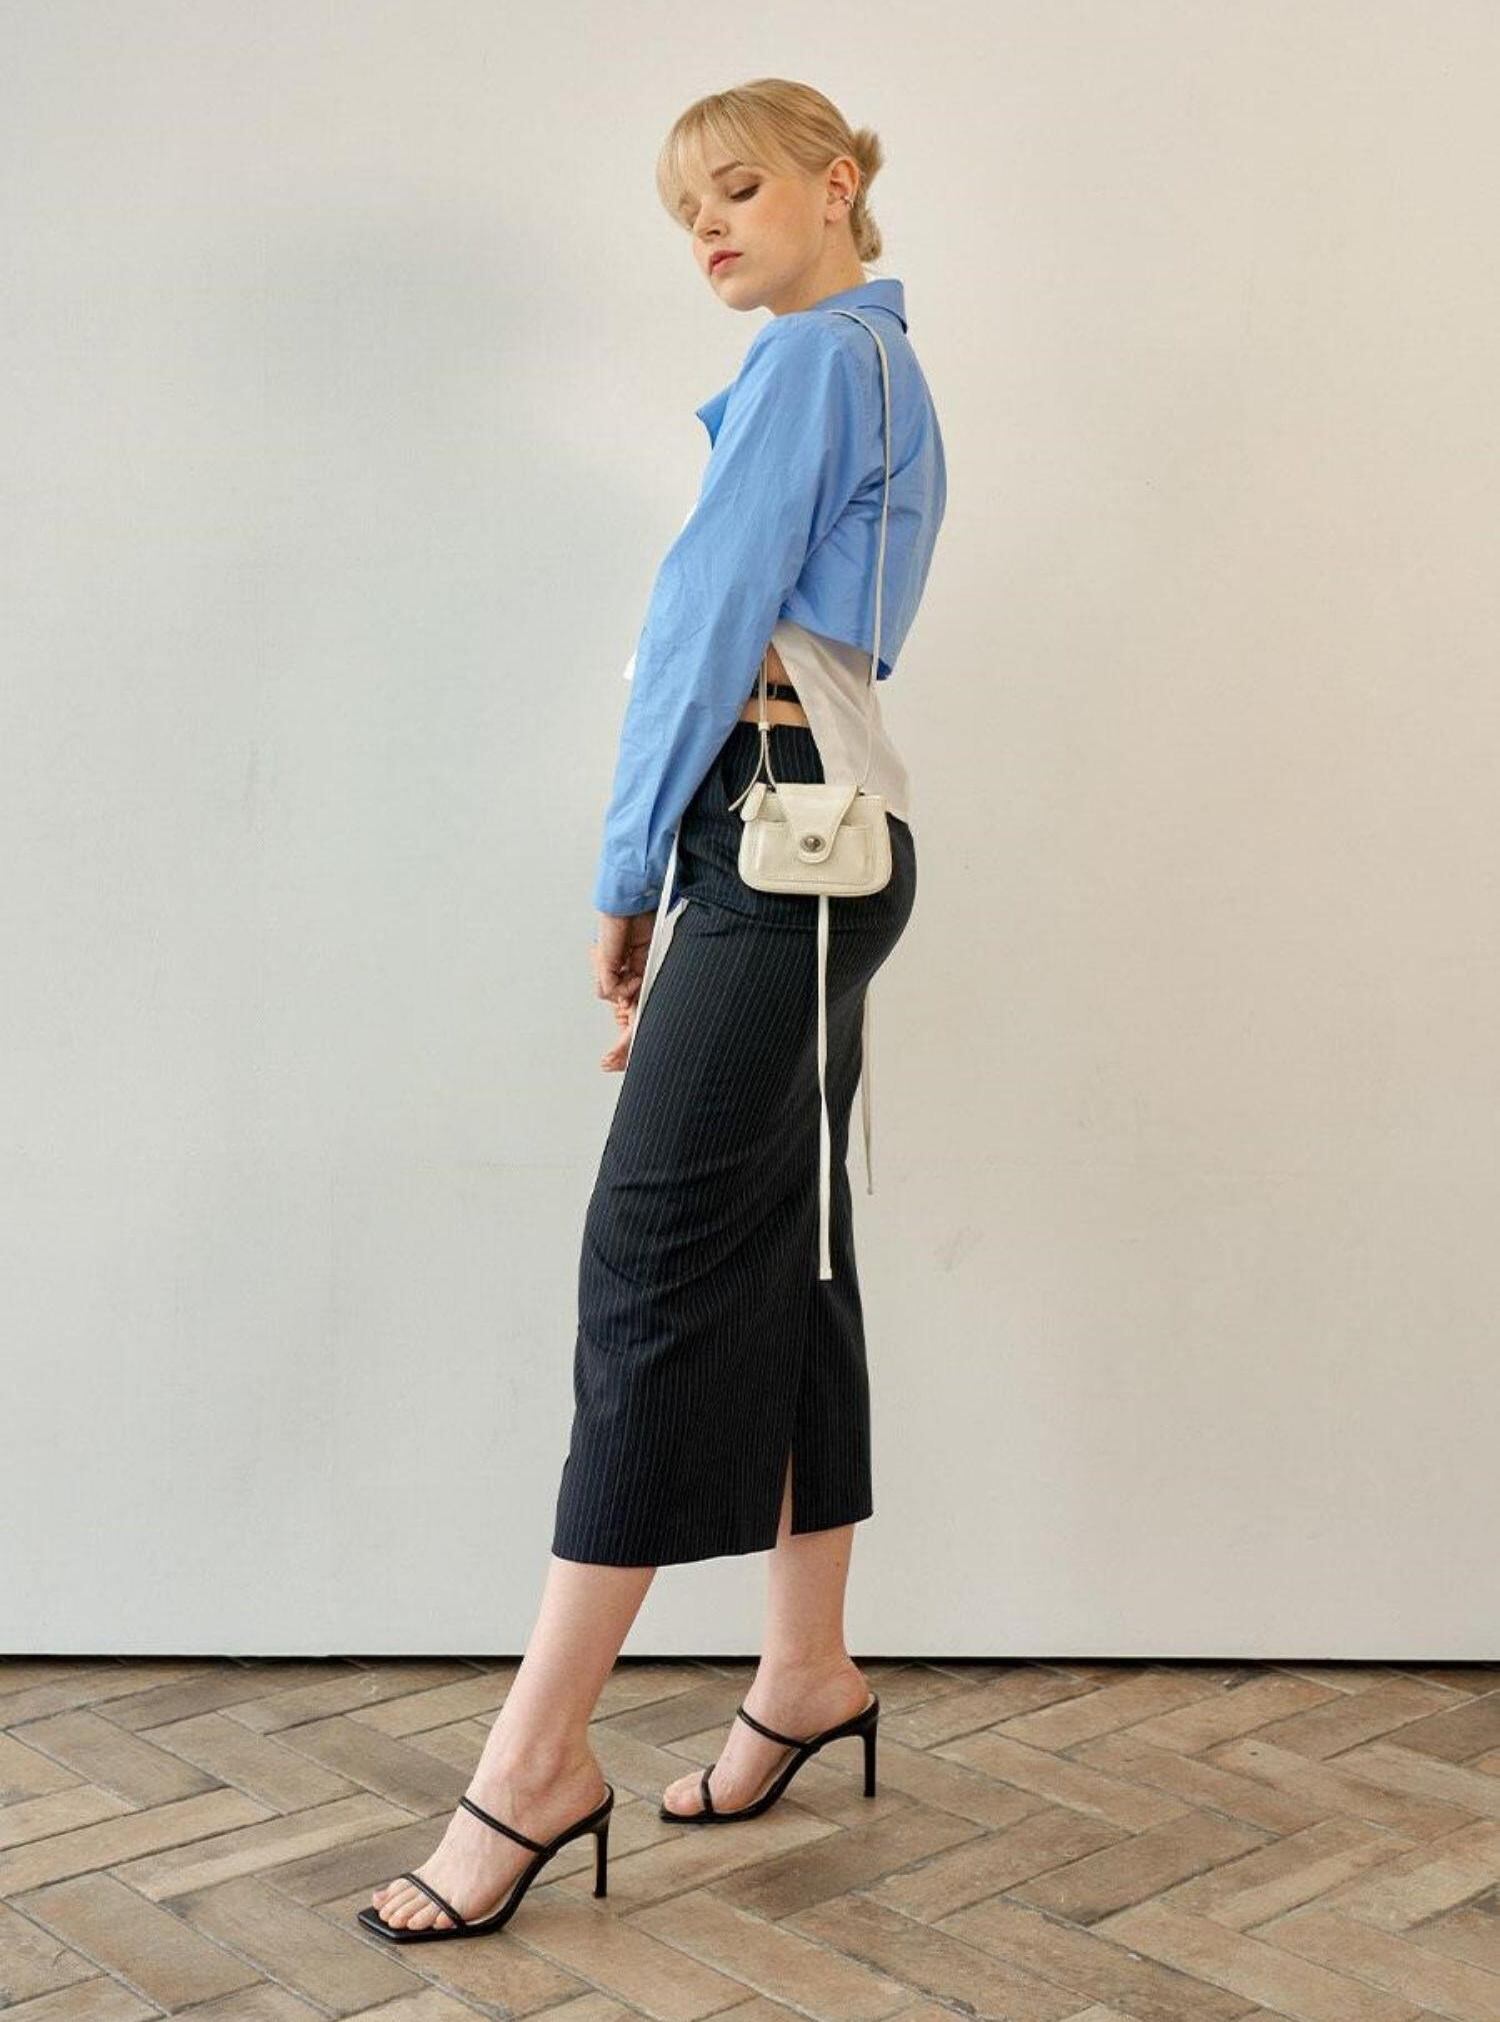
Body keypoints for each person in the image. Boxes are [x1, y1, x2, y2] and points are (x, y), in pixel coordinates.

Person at [360, 76, 947, 1945]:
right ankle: (807, 1669)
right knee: (794, 1247)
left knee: (653, 1263)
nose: (706, 225)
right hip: (831, 839)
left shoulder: (809, 362)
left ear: (837, 186)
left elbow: (705, 623)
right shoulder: (888, 369)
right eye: (685, 204)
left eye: (739, 187)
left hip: (770, 843)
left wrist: (628, 870)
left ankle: (538, 1762)